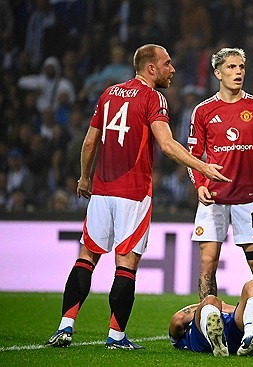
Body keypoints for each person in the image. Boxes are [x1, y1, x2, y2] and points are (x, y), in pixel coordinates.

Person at [45, 44, 230, 349]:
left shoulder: (109, 93)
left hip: (102, 192)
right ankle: (116, 336)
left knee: (86, 257)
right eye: (167, 64)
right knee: (126, 264)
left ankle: (65, 326)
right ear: (151, 68)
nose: (172, 70)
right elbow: (168, 145)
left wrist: (85, 177)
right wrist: (203, 166)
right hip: (133, 192)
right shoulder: (153, 97)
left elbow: (90, 142)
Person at [187, 48, 253, 299]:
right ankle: (205, 323)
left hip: (249, 198)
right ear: (218, 73)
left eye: (241, 67)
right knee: (208, 264)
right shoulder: (203, 111)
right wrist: (200, 185)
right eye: (232, 67)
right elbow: (193, 155)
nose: (238, 72)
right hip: (214, 198)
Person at [169, 279, 253, 356]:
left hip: (231, 327)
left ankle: (249, 338)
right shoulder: (185, 332)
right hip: (202, 337)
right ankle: (216, 341)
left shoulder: (215, 306)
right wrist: (223, 306)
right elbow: (178, 320)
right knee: (211, 300)